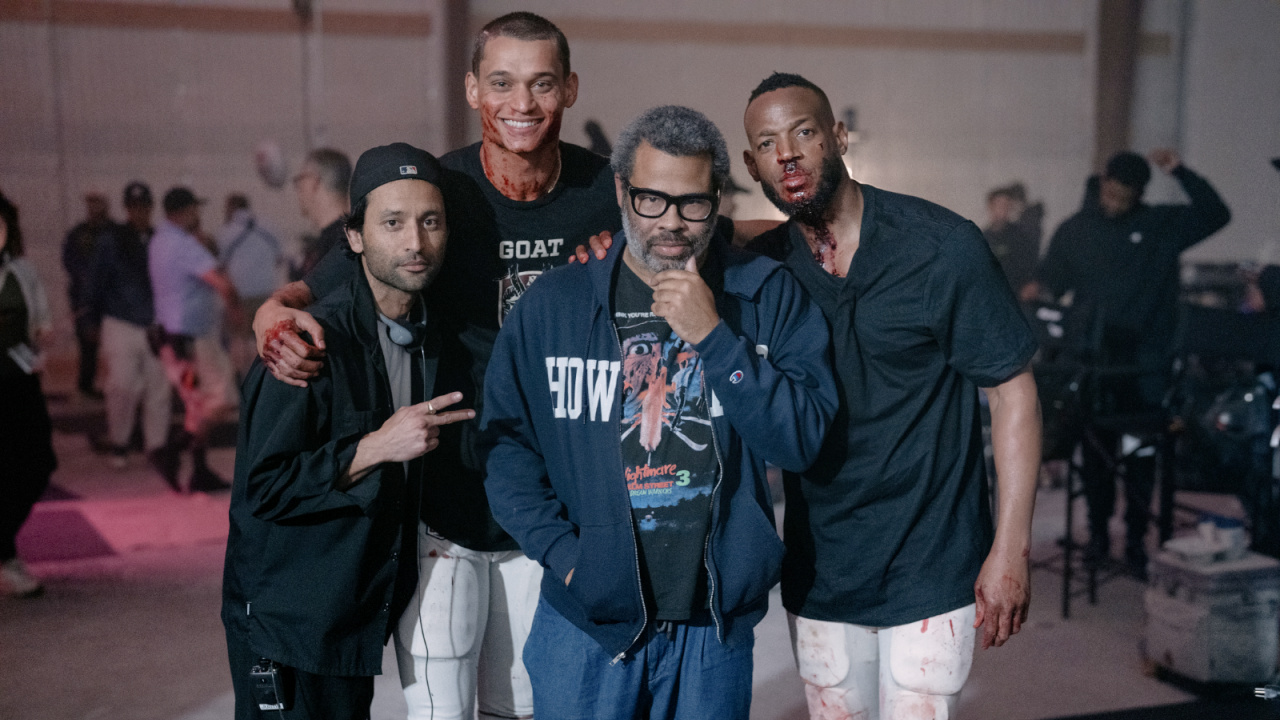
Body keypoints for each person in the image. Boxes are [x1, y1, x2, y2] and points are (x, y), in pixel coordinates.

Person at [250, 13, 623, 720]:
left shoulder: (606, 190)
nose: (522, 103)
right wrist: (271, 312)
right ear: (473, 89)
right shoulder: (439, 188)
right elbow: (328, 279)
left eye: (542, 83)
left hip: (554, 508)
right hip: (443, 505)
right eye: (502, 83)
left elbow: (706, 235)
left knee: (525, 707)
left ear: (570, 89)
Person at [482, 105, 837, 719]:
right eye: (651, 200)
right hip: (586, 625)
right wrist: (568, 560)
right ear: (623, 191)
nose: (671, 222)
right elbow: (505, 449)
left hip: (712, 626)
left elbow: (801, 441)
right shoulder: (556, 304)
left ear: (717, 199)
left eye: (692, 203)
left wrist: (716, 339)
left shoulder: (763, 295)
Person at [741, 73, 1041, 720]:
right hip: (822, 565)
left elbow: (1012, 393)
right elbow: (678, 233)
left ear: (838, 136)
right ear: (751, 164)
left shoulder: (941, 247)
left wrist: (1010, 548)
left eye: (803, 132)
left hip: (932, 558)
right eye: (767, 143)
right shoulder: (763, 265)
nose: (786, 154)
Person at [222, 143, 475, 720]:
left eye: (430, 221)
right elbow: (264, 489)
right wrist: (377, 447)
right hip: (291, 621)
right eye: (393, 223)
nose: (415, 243)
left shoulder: (430, 334)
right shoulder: (304, 344)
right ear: (355, 237)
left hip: (354, 613)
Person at [1026, 149, 1230, 574]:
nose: (1116, 203)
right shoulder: (1076, 229)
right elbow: (1052, 282)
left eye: (1125, 196)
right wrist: (1037, 292)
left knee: (1140, 453)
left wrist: (1179, 171)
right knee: (1095, 452)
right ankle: (1098, 535)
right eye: (1111, 193)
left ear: (1139, 193)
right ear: (1103, 183)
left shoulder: (1161, 225)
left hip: (1146, 365)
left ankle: (1136, 538)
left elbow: (1216, 213)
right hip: (1094, 362)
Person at [148, 187, 241, 493]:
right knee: (221, 398)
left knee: (196, 403)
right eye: (195, 209)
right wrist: (236, 310)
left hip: (172, 341)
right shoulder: (184, 245)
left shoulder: (159, 241)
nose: (198, 215)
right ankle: (172, 451)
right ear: (185, 211)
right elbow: (221, 282)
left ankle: (198, 470)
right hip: (193, 342)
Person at [87, 182, 176, 478]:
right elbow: (95, 280)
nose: (139, 212)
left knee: (158, 387)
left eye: (144, 207)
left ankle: (156, 446)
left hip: (156, 323)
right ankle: (119, 441)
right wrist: (89, 319)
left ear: (151, 208)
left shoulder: (160, 239)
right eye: (134, 207)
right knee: (122, 385)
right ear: (126, 209)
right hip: (120, 321)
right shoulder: (111, 240)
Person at [0, 191, 57, 598]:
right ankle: (7, 553)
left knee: (37, 463)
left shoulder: (21, 271)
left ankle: (3, 543)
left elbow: (41, 322)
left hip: (19, 380)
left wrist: (42, 337)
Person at [215, 193, 284, 374]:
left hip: (239, 298)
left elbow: (219, 266)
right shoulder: (269, 226)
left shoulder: (226, 232)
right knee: (263, 341)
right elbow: (279, 259)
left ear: (231, 208)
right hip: (267, 294)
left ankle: (243, 381)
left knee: (239, 341)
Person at [64, 190, 114, 397]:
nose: (93, 207)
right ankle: (86, 385)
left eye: (97, 202)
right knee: (87, 343)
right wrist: (86, 278)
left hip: (110, 298)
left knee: (116, 344)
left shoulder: (116, 232)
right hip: (83, 298)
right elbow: (69, 261)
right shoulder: (78, 233)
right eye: (90, 203)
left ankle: (117, 385)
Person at [291, 148, 352, 280]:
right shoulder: (352, 240)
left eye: (300, 179)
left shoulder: (337, 249)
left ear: (314, 182)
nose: (297, 188)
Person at [982, 182, 1042, 294]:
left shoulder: (1020, 237)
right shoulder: (982, 238)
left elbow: (1029, 267)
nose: (1003, 210)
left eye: (1006, 206)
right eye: (1000, 205)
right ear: (990, 207)